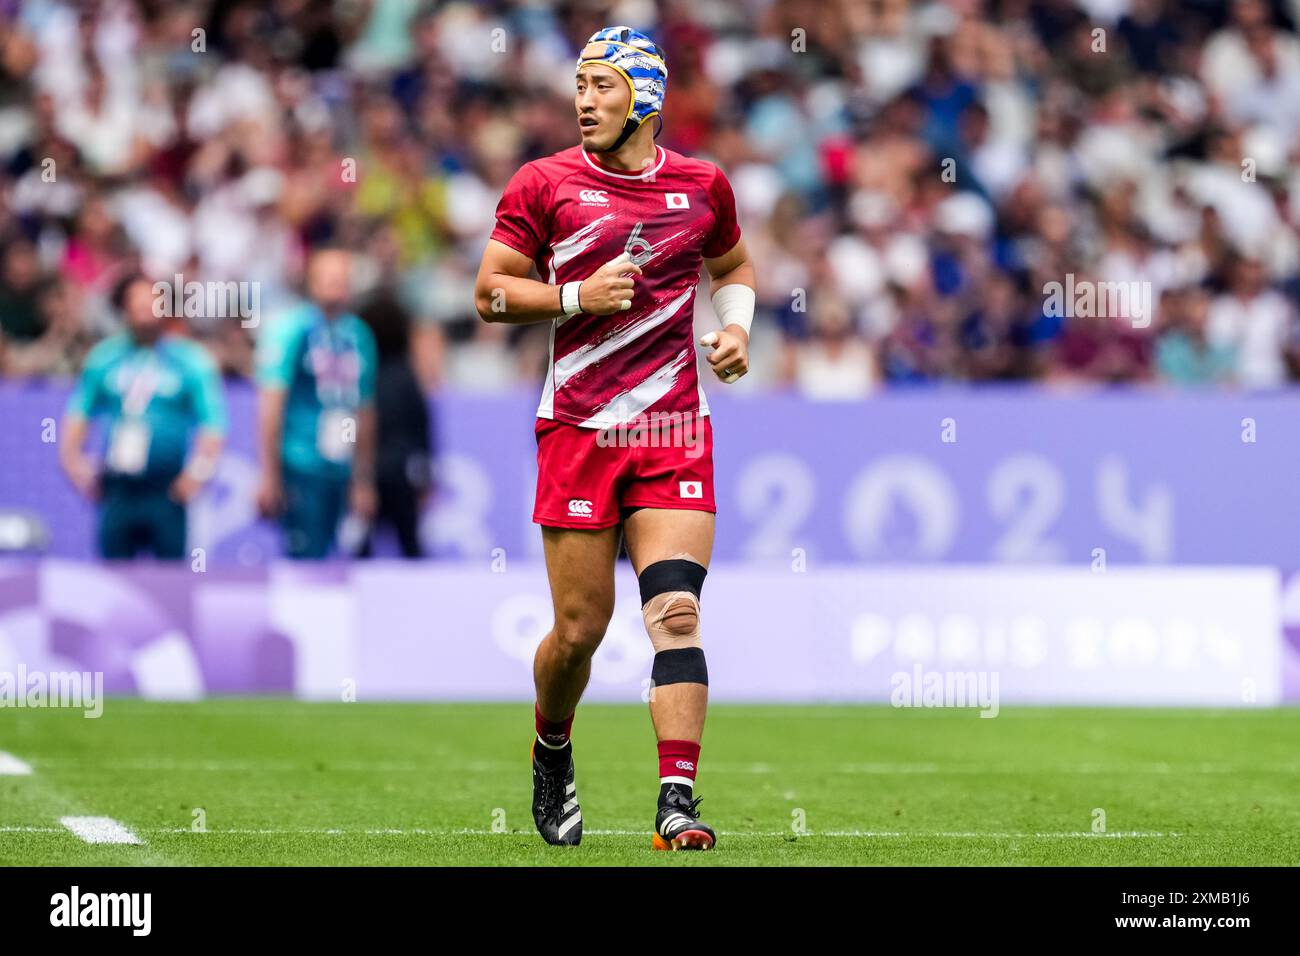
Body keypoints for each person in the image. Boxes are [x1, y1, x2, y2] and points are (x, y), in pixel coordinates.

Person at [474, 26, 757, 851]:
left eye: (602, 85)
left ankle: (677, 803)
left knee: (674, 611)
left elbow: (733, 269)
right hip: (579, 428)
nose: (584, 100)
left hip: (673, 427)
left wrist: (736, 330)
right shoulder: (544, 182)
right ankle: (552, 749)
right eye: (580, 85)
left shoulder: (704, 186)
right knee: (579, 633)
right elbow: (489, 295)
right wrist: (572, 298)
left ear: (647, 98)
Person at [59, 273, 226, 559]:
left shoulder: (190, 361)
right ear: (123, 307)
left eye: (152, 301)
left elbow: (213, 422)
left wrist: (199, 471)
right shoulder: (104, 358)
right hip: (118, 488)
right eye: (136, 302)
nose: (145, 309)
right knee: (114, 577)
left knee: (169, 579)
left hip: (167, 488)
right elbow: (79, 412)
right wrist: (72, 460)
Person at [255, 248, 378, 559]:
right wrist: (269, 474)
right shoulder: (291, 330)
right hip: (300, 460)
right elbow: (272, 404)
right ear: (311, 282)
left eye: (343, 279)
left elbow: (363, 408)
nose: (337, 286)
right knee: (305, 554)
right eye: (330, 278)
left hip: (341, 462)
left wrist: (363, 477)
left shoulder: (359, 335)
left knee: (339, 553)